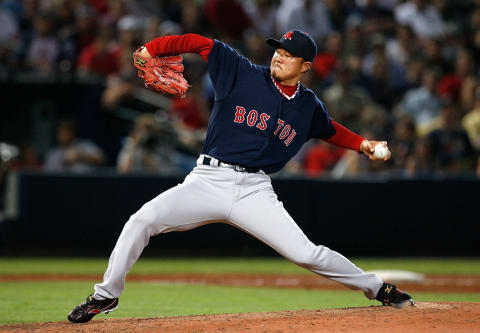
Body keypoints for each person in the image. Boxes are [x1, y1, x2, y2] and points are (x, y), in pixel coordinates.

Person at [68, 30, 414, 323]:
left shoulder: (308, 106)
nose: (279, 57)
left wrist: (363, 144)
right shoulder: (241, 72)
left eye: (289, 54)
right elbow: (201, 42)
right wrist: (152, 49)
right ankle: (106, 295)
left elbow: (329, 130)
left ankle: (378, 288)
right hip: (207, 180)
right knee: (141, 221)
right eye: (278, 50)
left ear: (305, 66)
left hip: (255, 191)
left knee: (307, 254)